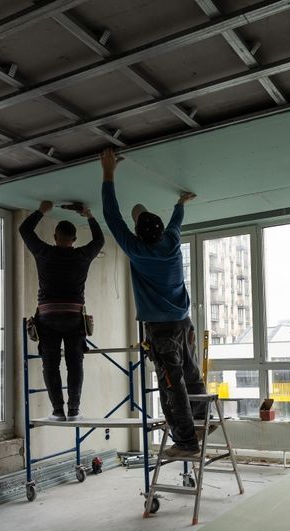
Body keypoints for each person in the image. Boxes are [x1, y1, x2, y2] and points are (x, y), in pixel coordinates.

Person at [99, 147, 207, 458]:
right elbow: (176, 222)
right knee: (191, 374)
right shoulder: (171, 242)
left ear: (137, 234)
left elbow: (112, 216)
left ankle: (186, 442)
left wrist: (108, 173)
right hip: (183, 322)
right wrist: (180, 203)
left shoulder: (136, 249)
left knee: (172, 385)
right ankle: (202, 423)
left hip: (161, 330)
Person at [19, 200, 105, 421]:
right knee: (75, 364)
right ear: (74, 239)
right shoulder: (82, 255)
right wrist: (89, 215)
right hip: (74, 317)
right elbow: (99, 240)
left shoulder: (44, 252)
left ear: (55, 237)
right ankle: (74, 410)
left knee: (51, 364)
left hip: (47, 317)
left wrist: (42, 210)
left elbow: (25, 230)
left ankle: (58, 411)